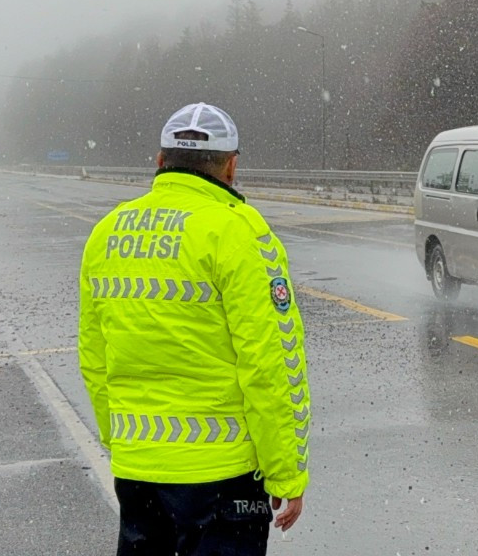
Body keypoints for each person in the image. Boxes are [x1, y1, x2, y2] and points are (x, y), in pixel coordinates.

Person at [79, 102, 311, 555]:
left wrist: (123, 440)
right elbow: (270, 363)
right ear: (231, 166)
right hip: (221, 476)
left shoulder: (107, 232)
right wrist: (286, 471)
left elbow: (94, 356)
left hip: (137, 471)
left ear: (160, 160)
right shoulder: (238, 232)